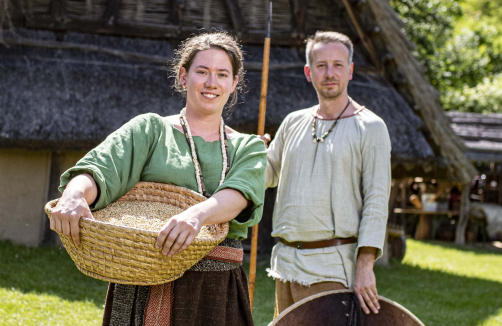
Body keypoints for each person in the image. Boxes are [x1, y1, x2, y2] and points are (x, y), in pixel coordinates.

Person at [50, 32, 266, 326]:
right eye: (202, 71)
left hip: (214, 289)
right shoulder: (150, 130)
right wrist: (74, 195)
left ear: (234, 83)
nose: (211, 82)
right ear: (183, 76)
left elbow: (240, 194)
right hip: (142, 277)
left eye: (222, 74)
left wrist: (197, 215)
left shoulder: (247, 147)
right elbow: (100, 169)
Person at [265, 31, 391, 317]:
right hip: (285, 263)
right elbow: (268, 173)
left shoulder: (371, 127)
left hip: (333, 265)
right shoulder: (293, 122)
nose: (330, 73)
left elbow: (377, 199)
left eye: (337, 65)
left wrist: (365, 266)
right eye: (321, 65)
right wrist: (249, 154)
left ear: (350, 70)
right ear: (309, 72)